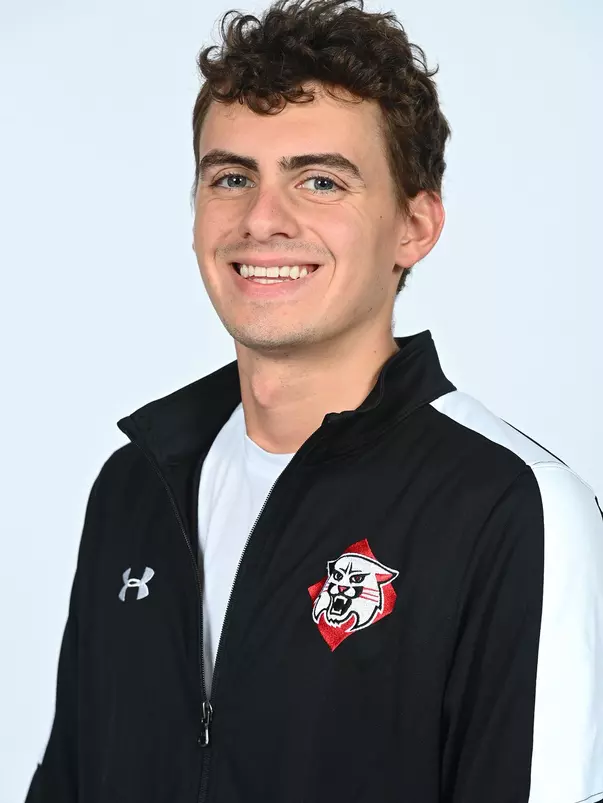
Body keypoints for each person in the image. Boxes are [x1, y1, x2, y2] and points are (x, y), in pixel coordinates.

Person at [26, 0, 603, 801]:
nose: (262, 220)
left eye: (320, 180)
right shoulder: (136, 485)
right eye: (231, 178)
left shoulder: (511, 507)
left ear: (413, 226)